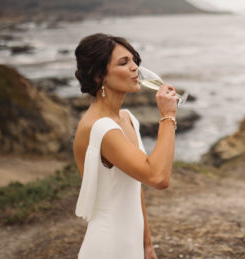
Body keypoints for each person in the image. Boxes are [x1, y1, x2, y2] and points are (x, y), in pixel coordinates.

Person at [73, 33, 179, 259]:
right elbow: (158, 178)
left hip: (132, 242)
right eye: (123, 63)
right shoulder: (100, 128)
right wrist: (168, 116)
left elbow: (136, 186)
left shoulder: (127, 118)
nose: (135, 68)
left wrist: (146, 244)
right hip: (108, 246)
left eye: (134, 61)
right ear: (99, 75)